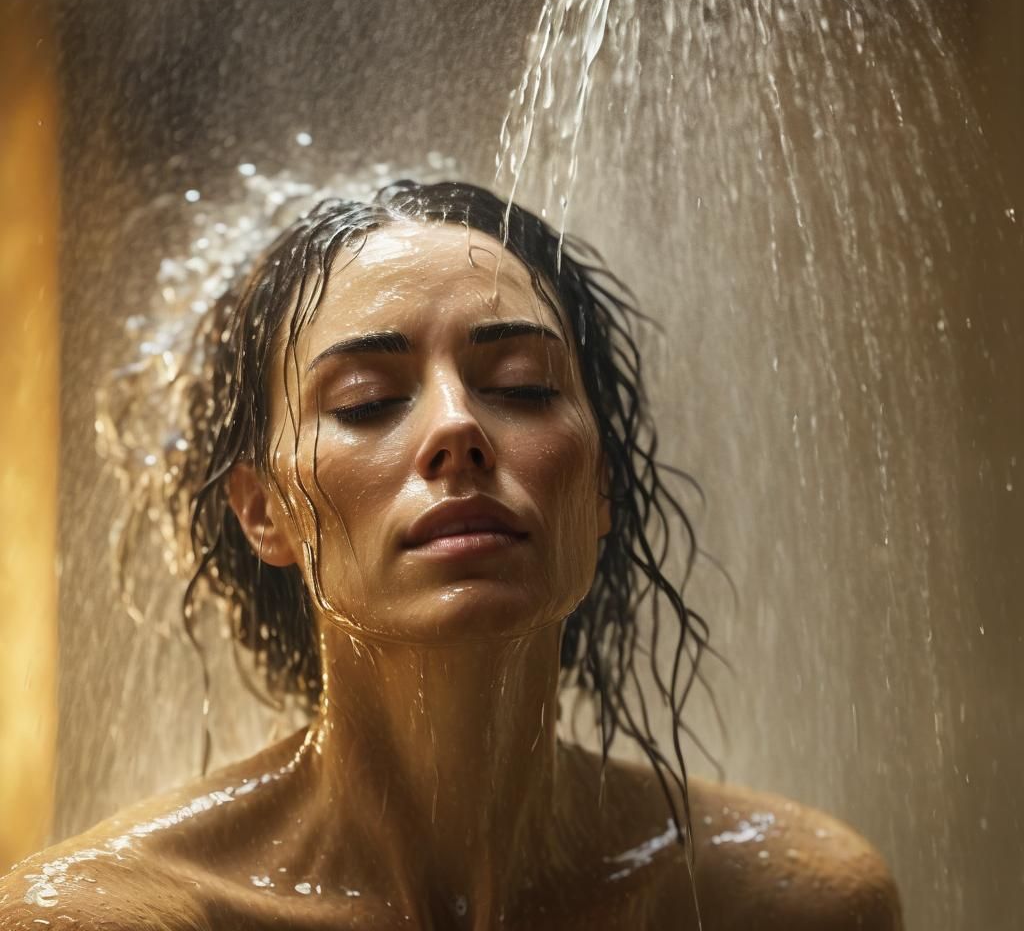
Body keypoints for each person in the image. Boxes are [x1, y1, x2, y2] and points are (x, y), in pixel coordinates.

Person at [0, 181, 902, 930]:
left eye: (524, 386)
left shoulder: (786, 902)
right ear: (264, 511)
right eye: (363, 401)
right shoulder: (110, 917)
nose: (459, 428)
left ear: (599, 492)